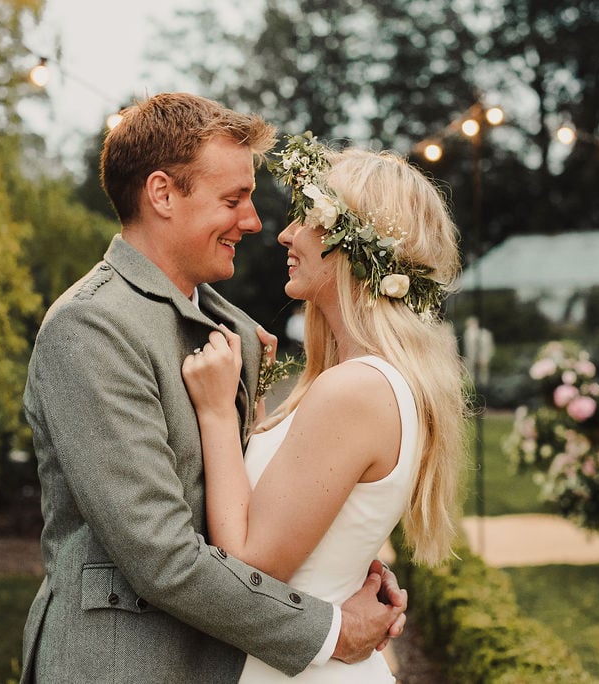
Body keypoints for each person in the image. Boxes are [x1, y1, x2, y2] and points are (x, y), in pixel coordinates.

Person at [19, 94, 406, 683]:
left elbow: (243, 502)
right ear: (163, 194)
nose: (253, 223)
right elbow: (163, 557)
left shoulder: (234, 330)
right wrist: (328, 627)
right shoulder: (90, 328)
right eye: (233, 200)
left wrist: (338, 558)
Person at [182, 135, 467, 682]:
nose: (286, 234)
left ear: (356, 245)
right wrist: (255, 403)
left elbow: (250, 568)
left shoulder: (354, 390)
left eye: (308, 219)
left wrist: (217, 413)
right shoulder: (364, 380)